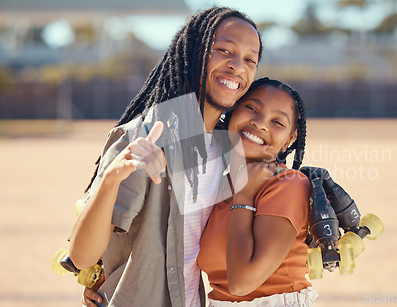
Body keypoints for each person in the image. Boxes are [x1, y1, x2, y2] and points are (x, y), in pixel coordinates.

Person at [70, 6, 263, 307]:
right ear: (194, 52)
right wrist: (109, 180)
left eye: (250, 59)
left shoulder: (230, 149)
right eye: (224, 50)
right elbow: (82, 257)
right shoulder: (143, 139)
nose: (238, 66)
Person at [197, 77, 318, 306]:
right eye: (251, 108)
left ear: (289, 140)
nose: (260, 124)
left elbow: (242, 283)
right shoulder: (216, 186)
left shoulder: (288, 184)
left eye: (277, 122)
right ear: (232, 111)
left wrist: (244, 197)